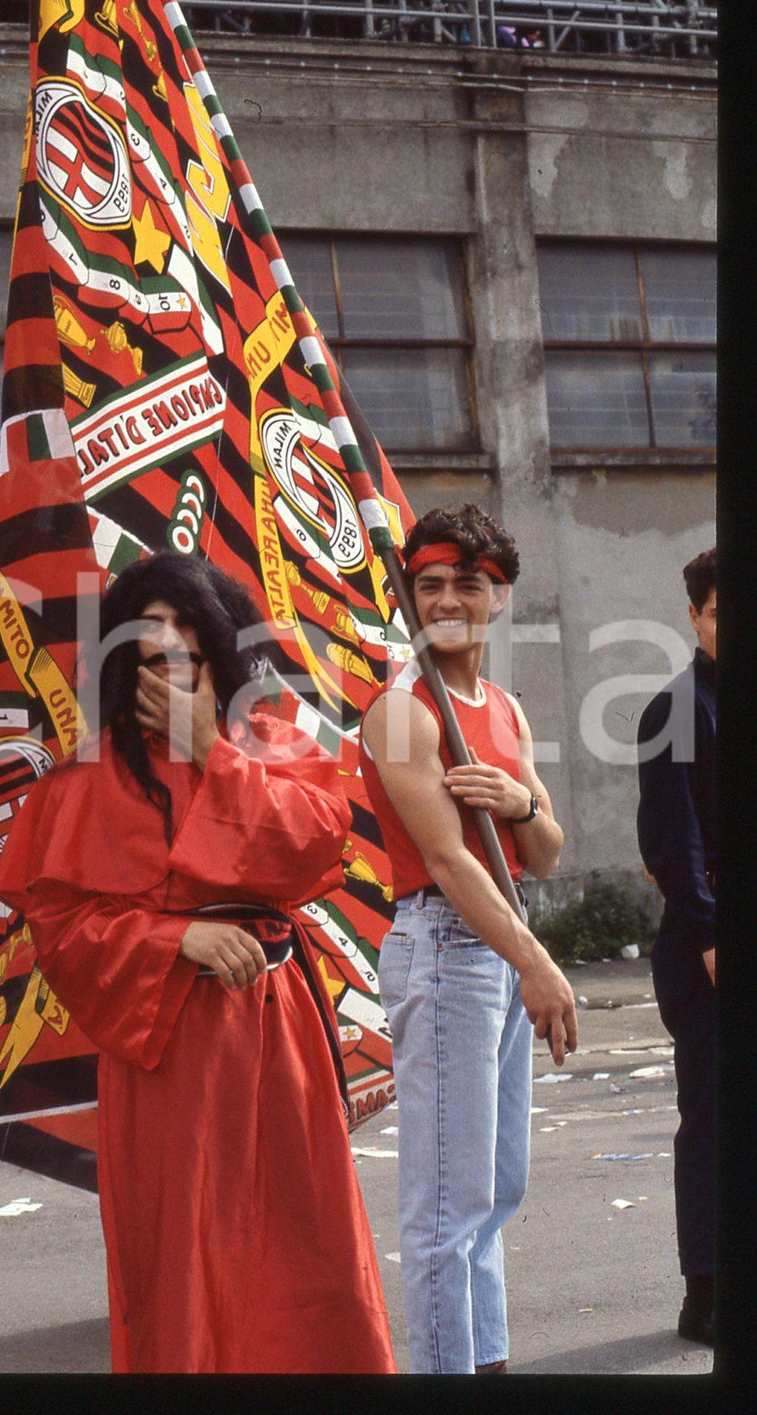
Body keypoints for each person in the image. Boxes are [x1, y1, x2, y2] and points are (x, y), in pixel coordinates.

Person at [0, 552, 396, 1374]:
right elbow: (61, 928)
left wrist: (214, 748)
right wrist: (176, 939)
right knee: (184, 1245)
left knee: (304, 1231)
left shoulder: (276, 744)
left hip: (275, 1030)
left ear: (219, 643)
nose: (167, 639)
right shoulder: (83, 779)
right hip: (166, 1043)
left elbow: (313, 847)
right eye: (149, 625)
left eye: (186, 622)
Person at [358, 502, 578, 1374]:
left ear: (500, 598)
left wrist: (518, 800)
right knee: (448, 1204)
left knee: (498, 1189)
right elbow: (449, 861)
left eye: (468, 584)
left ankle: (487, 1364)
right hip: (449, 945)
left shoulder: (505, 712)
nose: (447, 599)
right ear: (411, 599)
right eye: (429, 584)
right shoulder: (402, 711)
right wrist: (541, 964)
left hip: (504, 938)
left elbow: (548, 851)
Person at [637, 546, 716, 1348]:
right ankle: (707, 1300)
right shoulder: (680, 706)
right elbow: (672, 839)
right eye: (723, 611)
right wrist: (711, 936)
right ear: (693, 616)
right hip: (708, 948)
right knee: (716, 1124)